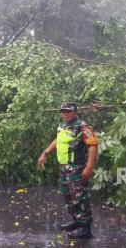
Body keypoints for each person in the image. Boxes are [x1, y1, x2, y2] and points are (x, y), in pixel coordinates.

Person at [37, 102, 98, 239]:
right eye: (63, 111)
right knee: (68, 196)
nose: (65, 113)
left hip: (77, 168)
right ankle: (77, 221)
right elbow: (58, 140)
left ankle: (86, 228)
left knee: (79, 197)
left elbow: (93, 145)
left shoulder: (82, 126)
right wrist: (45, 153)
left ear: (75, 112)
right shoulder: (63, 126)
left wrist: (89, 166)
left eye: (68, 111)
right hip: (64, 168)